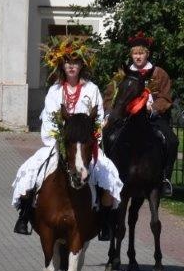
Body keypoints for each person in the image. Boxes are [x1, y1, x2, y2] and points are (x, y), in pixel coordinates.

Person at [12, 40, 124, 239]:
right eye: (67, 62)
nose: (72, 66)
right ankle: (25, 215)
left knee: (109, 175)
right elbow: (49, 118)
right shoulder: (55, 91)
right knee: (30, 170)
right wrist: (60, 139)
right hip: (60, 145)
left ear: (82, 66)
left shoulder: (91, 89)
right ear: (62, 66)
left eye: (76, 62)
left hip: (86, 145)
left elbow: (97, 118)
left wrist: (92, 136)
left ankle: (105, 222)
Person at [106, 32, 178, 197]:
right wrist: (110, 113)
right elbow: (110, 96)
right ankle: (110, 174)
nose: (138, 57)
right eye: (135, 53)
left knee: (172, 140)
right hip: (127, 119)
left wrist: (153, 108)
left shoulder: (159, 73)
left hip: (152, 118)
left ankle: (165, 179)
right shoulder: (122, 74)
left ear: (147, 54)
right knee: (109, 137)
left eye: (141, 53)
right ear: (131, 55)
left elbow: (165, 97)